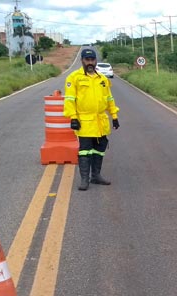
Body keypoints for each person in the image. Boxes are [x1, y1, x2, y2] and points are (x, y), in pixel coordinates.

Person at [63, 48, 120, 191]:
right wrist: (73, 117)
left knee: (99, 150)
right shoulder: (74, 77)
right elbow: (70, 99)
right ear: (82, 60)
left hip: (101, 121)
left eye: (92, 60)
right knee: (85, 151)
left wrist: (114, 116)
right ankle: (84, 179)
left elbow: (109, 99)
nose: (90, 63)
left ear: (95, 61)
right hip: (84, 121)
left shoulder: (102, 79)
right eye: (87, 60)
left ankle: (96, 176)